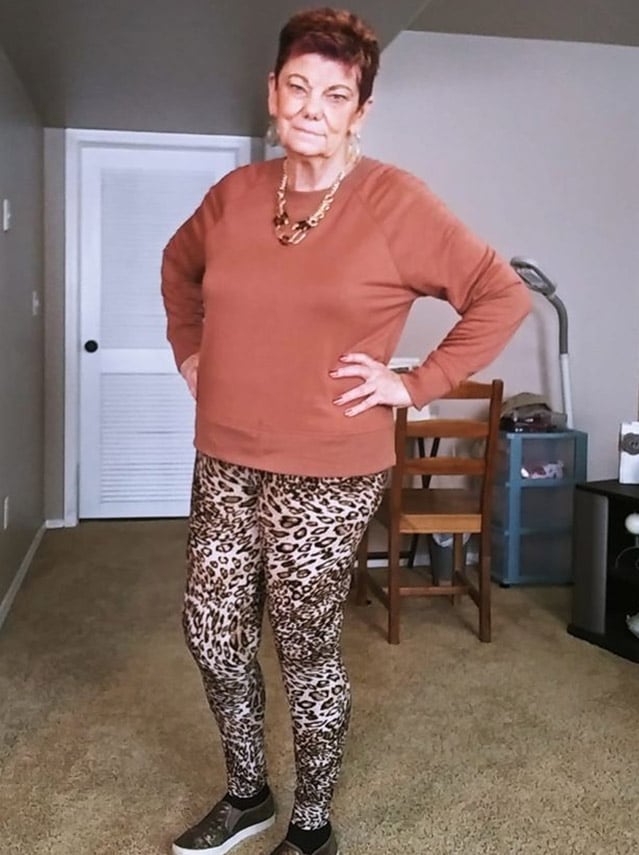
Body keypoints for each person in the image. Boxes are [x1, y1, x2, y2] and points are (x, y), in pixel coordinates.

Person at [161, 7, 531, 855]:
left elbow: (499, 294)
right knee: (211, 631)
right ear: (272, 92)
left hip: (328, 469)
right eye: (297, 87)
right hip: (224, 456)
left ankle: (312, 825)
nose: (311, 108)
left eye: (335, 95)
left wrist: (414, 382)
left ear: (360, 110)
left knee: (304, 645)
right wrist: (190, 350)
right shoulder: (234, 196)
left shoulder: (394, 201)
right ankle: (248, 794)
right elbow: (178, 270)